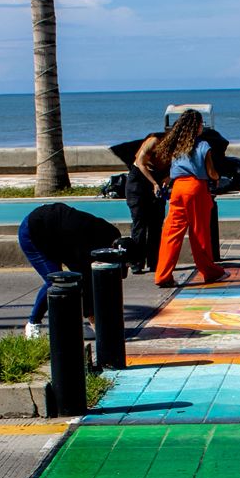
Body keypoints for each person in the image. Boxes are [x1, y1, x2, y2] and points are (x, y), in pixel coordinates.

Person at [17, 202, 123, 337]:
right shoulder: (84, 248)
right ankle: (33, 324)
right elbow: (86, 282)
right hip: (33, 234)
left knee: (79, 281)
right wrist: (97, 325)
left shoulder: (112, 234)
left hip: (58, 233)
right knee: (57, 281)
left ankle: (73, 326)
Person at [153, 110, 229, 287]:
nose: (203, 126)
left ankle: (163, 275)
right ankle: (210, 272)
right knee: (199, 232)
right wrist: (217, 178)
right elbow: (210, 172)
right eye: (201, 123)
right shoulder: (203, 145)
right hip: (195, 188)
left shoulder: (177, 146)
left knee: (171, 232)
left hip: (178, 188)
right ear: (197, 126)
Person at [125, 129, 166, 274]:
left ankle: (154, 262)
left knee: (156, 225)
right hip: (138, 185)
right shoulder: (154, 141)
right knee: (139, 224)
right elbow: (141, 163)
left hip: (157, 183)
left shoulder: (176, 147)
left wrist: (167, 179)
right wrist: (154, 183)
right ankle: (136, 261)